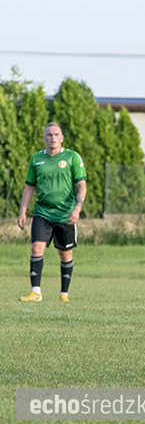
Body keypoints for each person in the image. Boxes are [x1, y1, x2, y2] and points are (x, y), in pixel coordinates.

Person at [18, 122, 87, 303]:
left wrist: (77, 208)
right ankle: (36, 291)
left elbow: (81, 185)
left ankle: (63, 293)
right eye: (49, 135)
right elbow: (29, 187)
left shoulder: (72, 157)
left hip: (65, 214)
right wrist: (23, 212)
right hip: (43, 212)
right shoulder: (36, 159)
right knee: (36, 248)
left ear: (62, 138)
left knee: (65, 253)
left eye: (56, 134)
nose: (53, 137)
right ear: (44, 138)